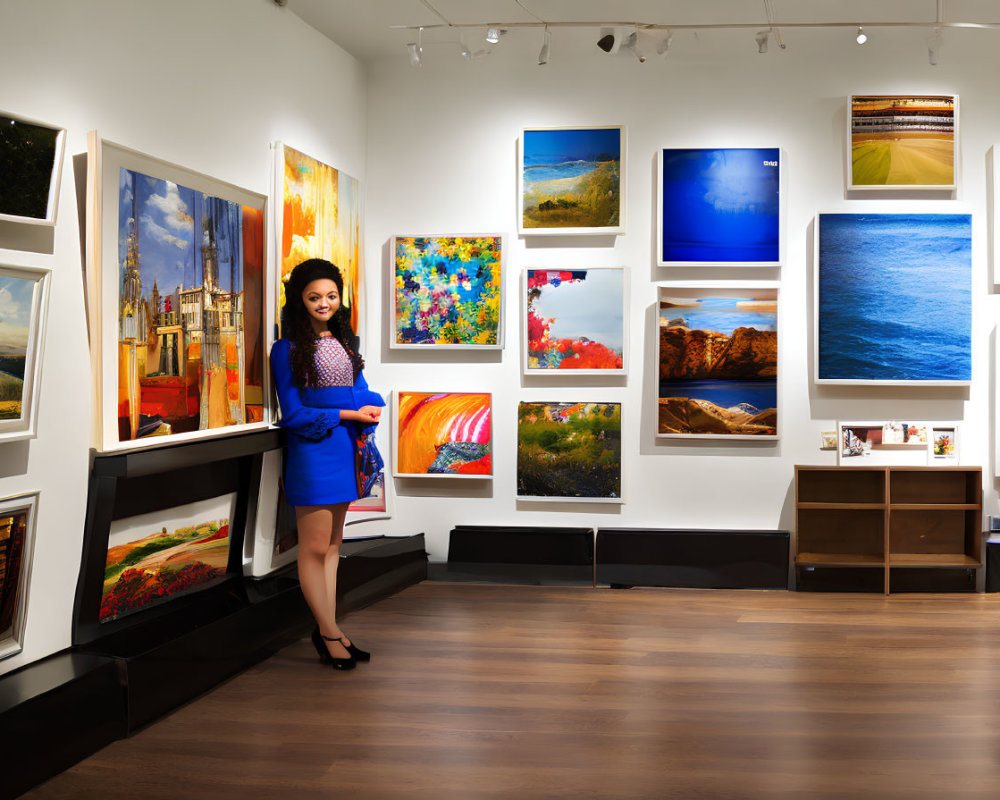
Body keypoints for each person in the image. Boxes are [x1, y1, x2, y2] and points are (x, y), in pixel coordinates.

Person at [270, 259, 385, 671]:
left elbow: (361, 390)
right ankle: (330, 633)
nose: (324, 303)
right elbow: (295, 413)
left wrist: (369, 405)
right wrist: (351, 414)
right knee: (315, 547)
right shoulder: (286, 349)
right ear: (299, 300)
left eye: (331, 296)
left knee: (335, 547)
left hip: (346, 450)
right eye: (314, 296)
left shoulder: (343, 343)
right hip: (315, 451)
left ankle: (330, 630)